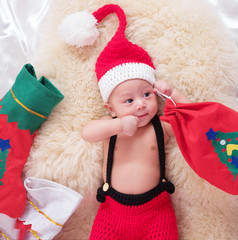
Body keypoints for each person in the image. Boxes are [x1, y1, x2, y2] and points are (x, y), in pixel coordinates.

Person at [72, 4, 190, 240]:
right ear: (111, 109)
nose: (140, 104)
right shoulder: (109, 127)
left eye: (147, 94)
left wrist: (173, 93)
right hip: (112, 210)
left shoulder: (160, 127)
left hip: (156, 209)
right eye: (128, 100)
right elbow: (87, 132)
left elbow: (187, 116)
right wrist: (118, 126)